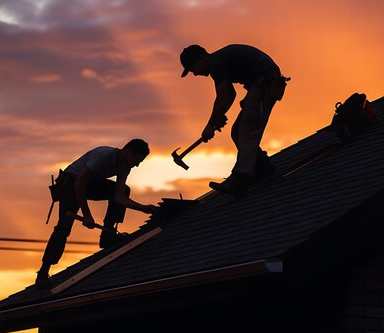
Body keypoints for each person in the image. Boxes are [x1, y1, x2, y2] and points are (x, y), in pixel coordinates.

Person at [36, 139, 157, 287]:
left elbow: (119, 196)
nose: (137, 165)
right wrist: (87, 215)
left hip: (88, 183)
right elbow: (79, 184)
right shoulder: (103, 156)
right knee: (63, 227)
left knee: (125, 189)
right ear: (129, 151)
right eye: (137, 160)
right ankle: (43, 273)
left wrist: (143, 208)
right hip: (71, 183)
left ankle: (108, 235)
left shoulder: (125, 167)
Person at [179, 44, 288, 197]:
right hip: (262, 83)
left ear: (202, 57)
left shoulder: (217, 63)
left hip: (265, 83)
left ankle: (240, 179)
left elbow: (223, 98)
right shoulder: (219, 62)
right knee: (237, 131)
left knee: (247, 131)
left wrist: (210, 125)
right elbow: (230, 95)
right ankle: (262, 166)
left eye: (193, 68)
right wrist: (217, 118)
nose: (195, 74)